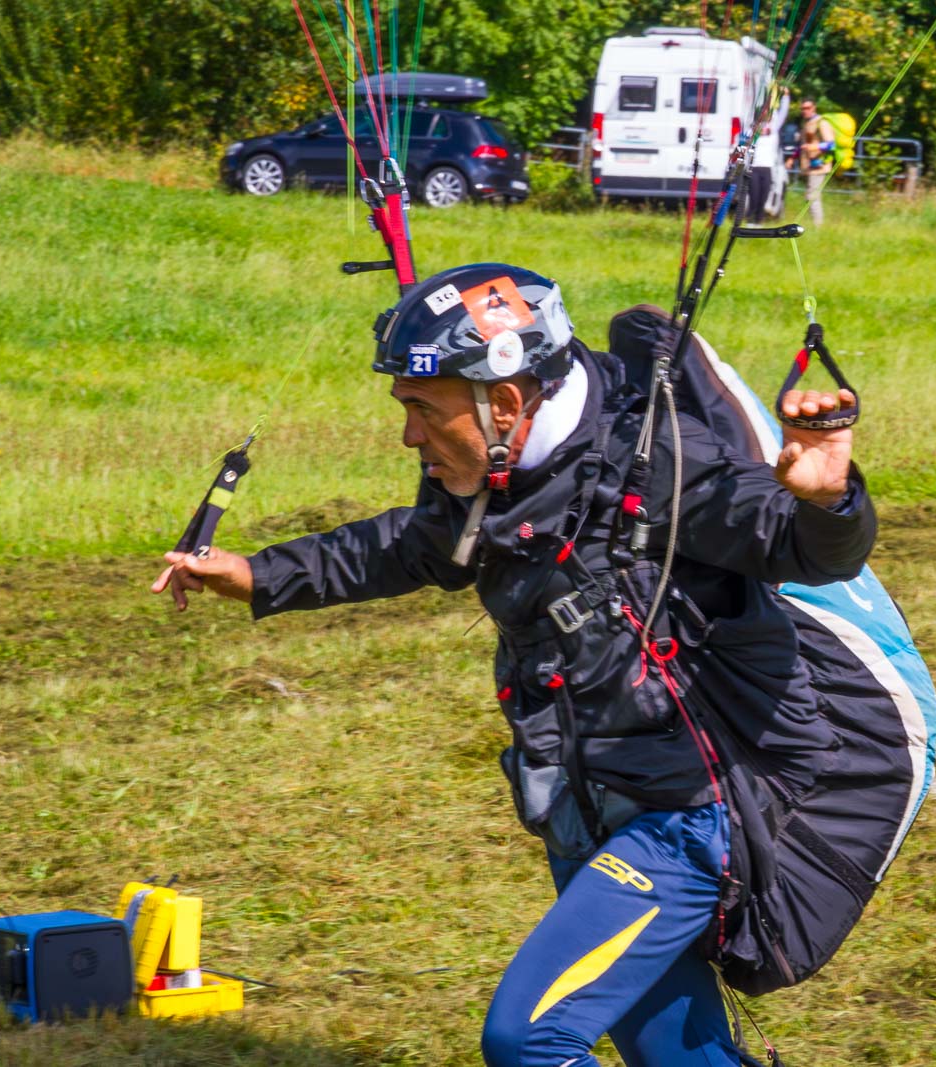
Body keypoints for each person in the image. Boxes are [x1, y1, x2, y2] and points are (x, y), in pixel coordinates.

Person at [151, 263, 874, 1067]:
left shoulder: (662, 460)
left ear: (504, 402)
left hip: (687, 818)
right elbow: (408, 546)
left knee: (531, 1039)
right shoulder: (489, 472)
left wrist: (827, 498)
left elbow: (803, 547)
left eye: (424, 410)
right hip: (584, 803)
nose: (410, 436)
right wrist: (257, 574)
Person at [748, 92, 789, 223]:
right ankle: (750, 219)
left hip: (767, 168)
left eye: (768, 114)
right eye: (763, 113)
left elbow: (782, 114)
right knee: (754, 195)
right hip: (754, 167)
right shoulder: (752, 131)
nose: (766, 116)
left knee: (764, 195)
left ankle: (759, 220)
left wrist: (785, 96)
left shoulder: (773, 130)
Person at [798, 98, 837, 226]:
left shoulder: (822, 123)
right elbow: (803, 144)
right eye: (802, 108)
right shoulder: (806, 123)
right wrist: (793, 157)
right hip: (809, 166)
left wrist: (814, 147)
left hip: (819, 166)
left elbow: (831, 145)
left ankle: (818, 227)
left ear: (814, 107)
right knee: (810, 197)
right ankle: (814, 225)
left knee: (812, 197)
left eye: (808, 108)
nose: (805, 111)